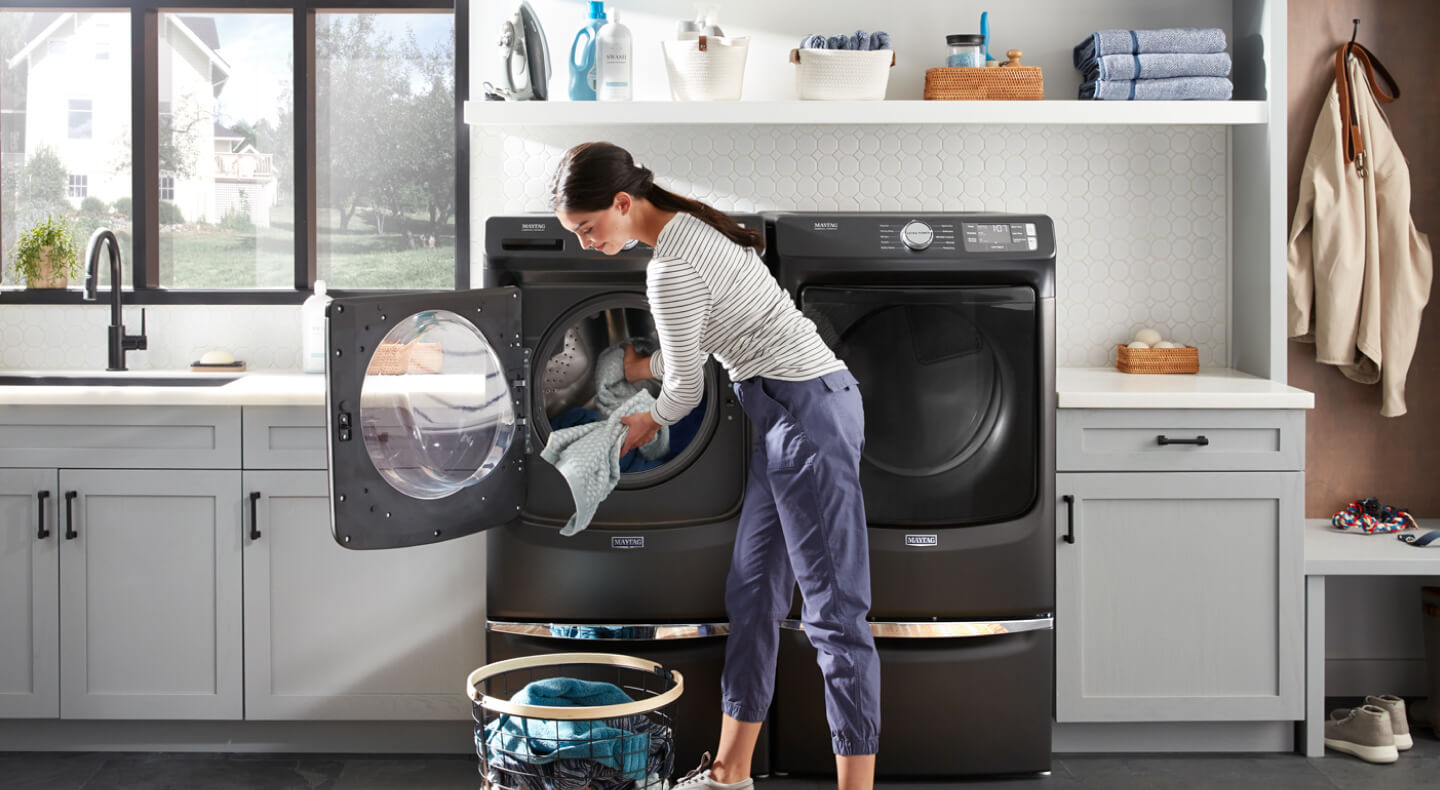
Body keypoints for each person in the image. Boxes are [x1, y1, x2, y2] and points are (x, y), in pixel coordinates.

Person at [550, 141, 880, 790]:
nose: (585, 244)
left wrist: (647, 420)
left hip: (808, 416)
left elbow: (685, 388)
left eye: (587, 229)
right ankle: (729, 773)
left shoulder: (670, 268)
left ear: (622, 203)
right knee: (754, 592)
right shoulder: (687, 228)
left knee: (836, 617)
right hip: (785, 414)